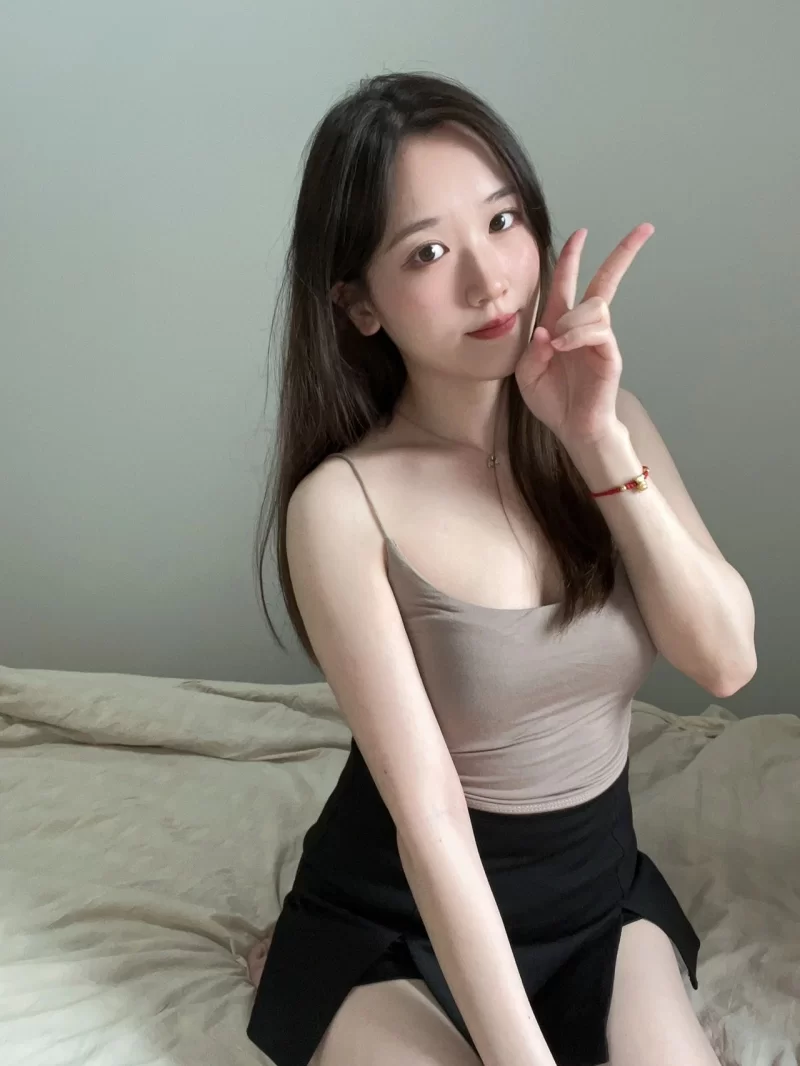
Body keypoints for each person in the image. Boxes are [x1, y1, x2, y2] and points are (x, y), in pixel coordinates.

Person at [246, 71, 756, 1066]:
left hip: (594, 901)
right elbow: (431, 822)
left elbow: (726, 662)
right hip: (397, 919)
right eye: (427, 252)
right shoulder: (341, 506)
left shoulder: (607, 422)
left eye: (502, 220)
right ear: (358, 305)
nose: (489, 283)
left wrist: (596, 441)